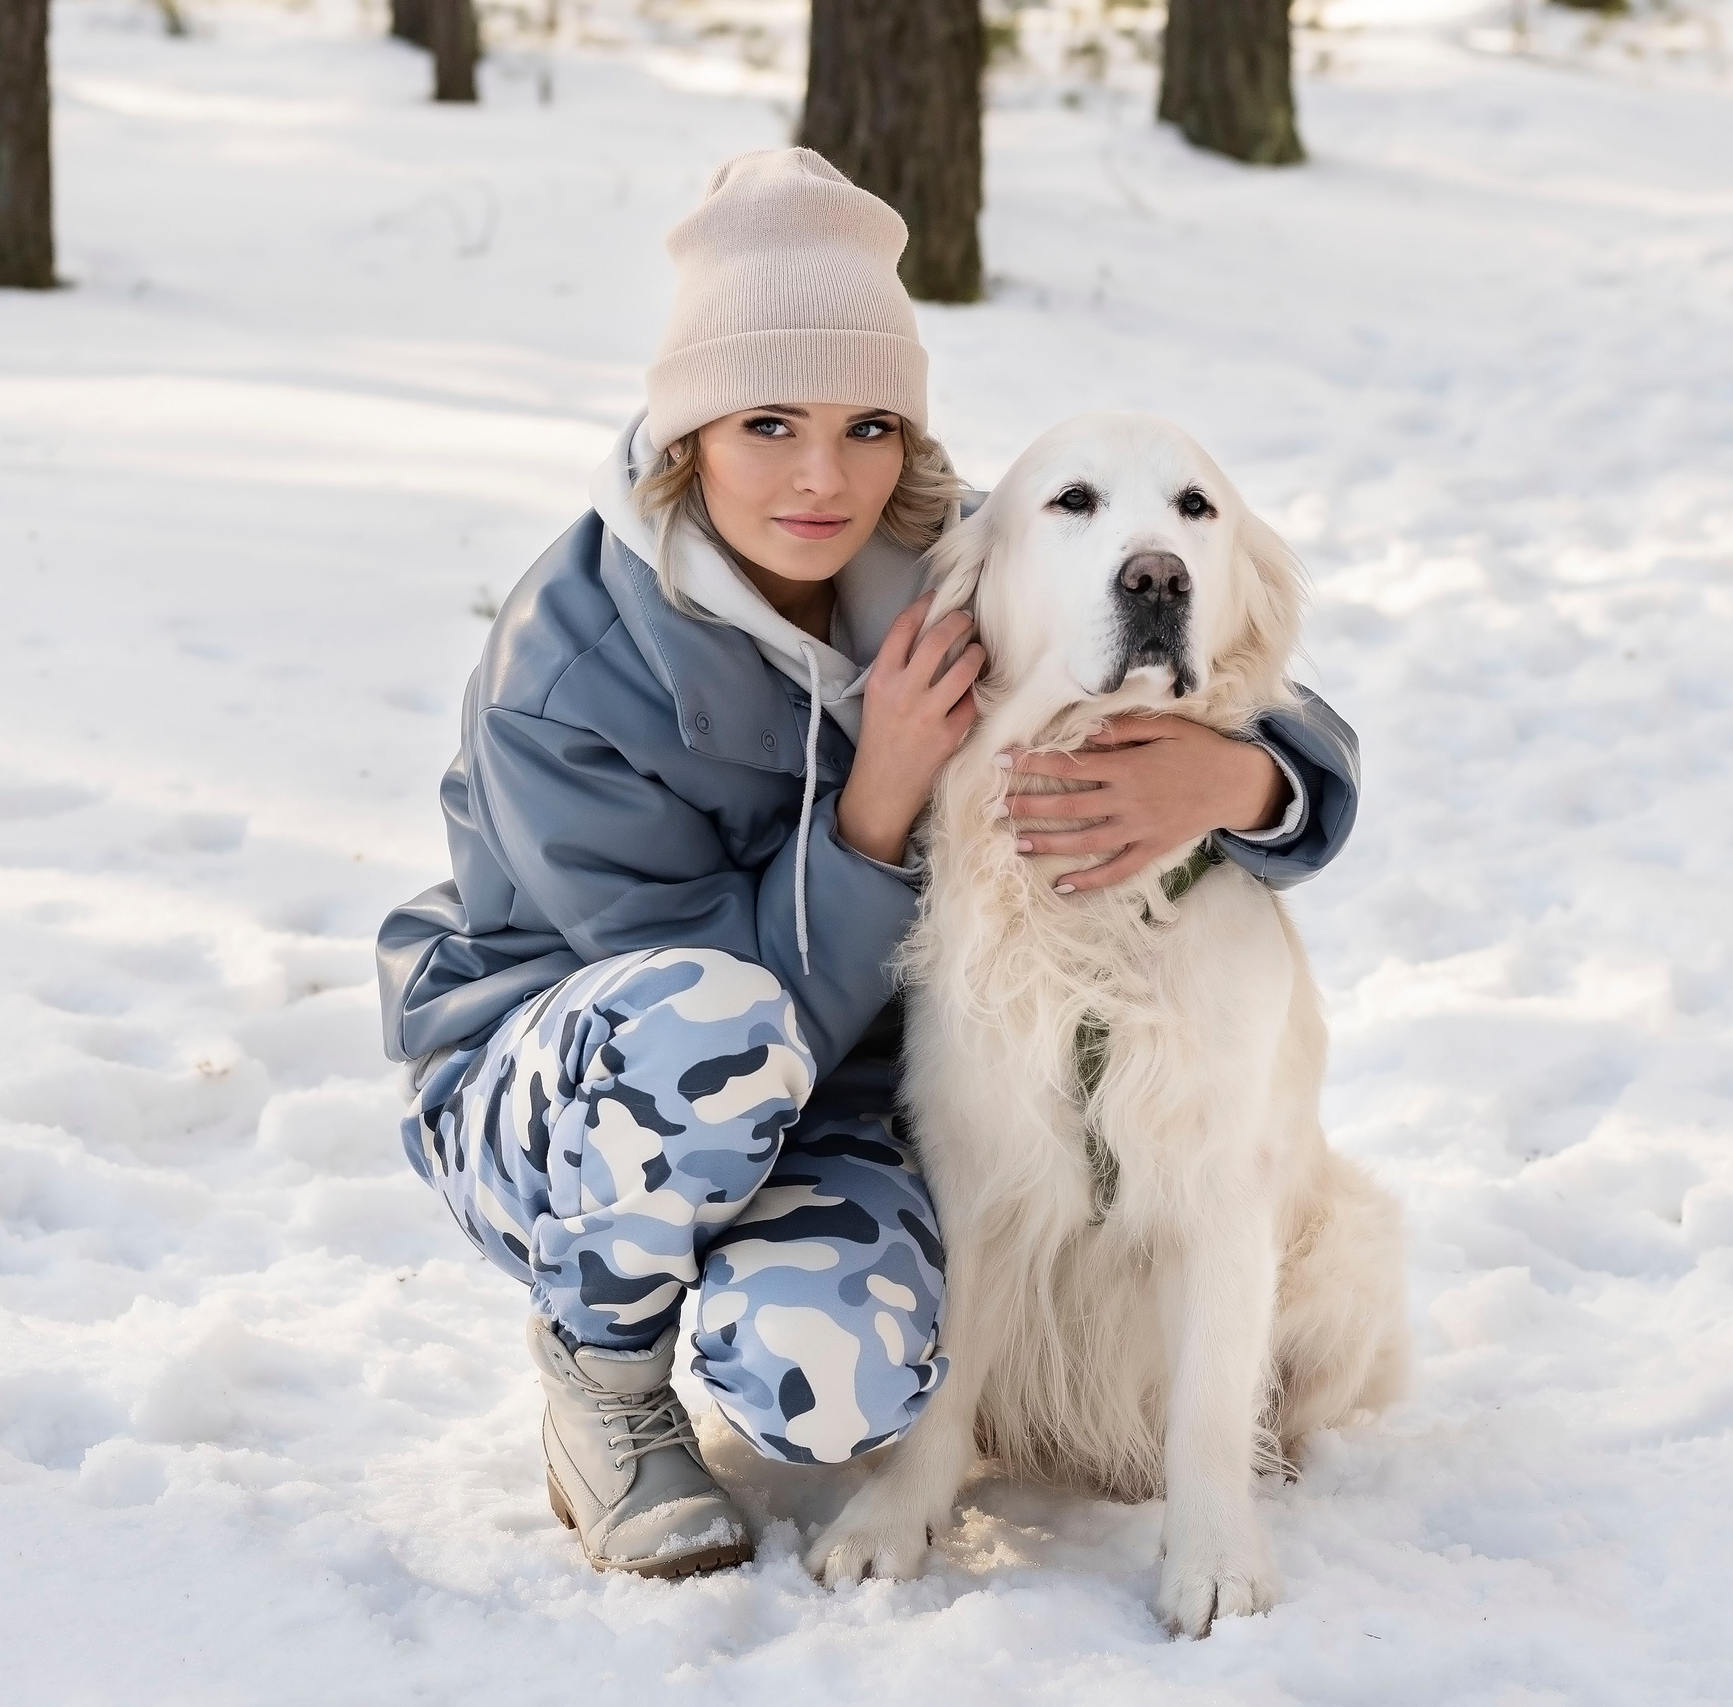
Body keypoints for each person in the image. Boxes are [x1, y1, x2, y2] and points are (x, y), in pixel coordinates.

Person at [375, 149, 1360, 1579]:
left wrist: (1248, 772)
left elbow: (1211, 636)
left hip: (821, 1085)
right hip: (574, 1081)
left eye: (869, 423)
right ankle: (604, 1370)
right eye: (766, 422)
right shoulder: (571, 664)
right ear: (684, 438)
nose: (823, 476)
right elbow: (706, 1004)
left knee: (830, 1376)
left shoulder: (951, 559)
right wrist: (877, 808)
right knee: (703, 1027)